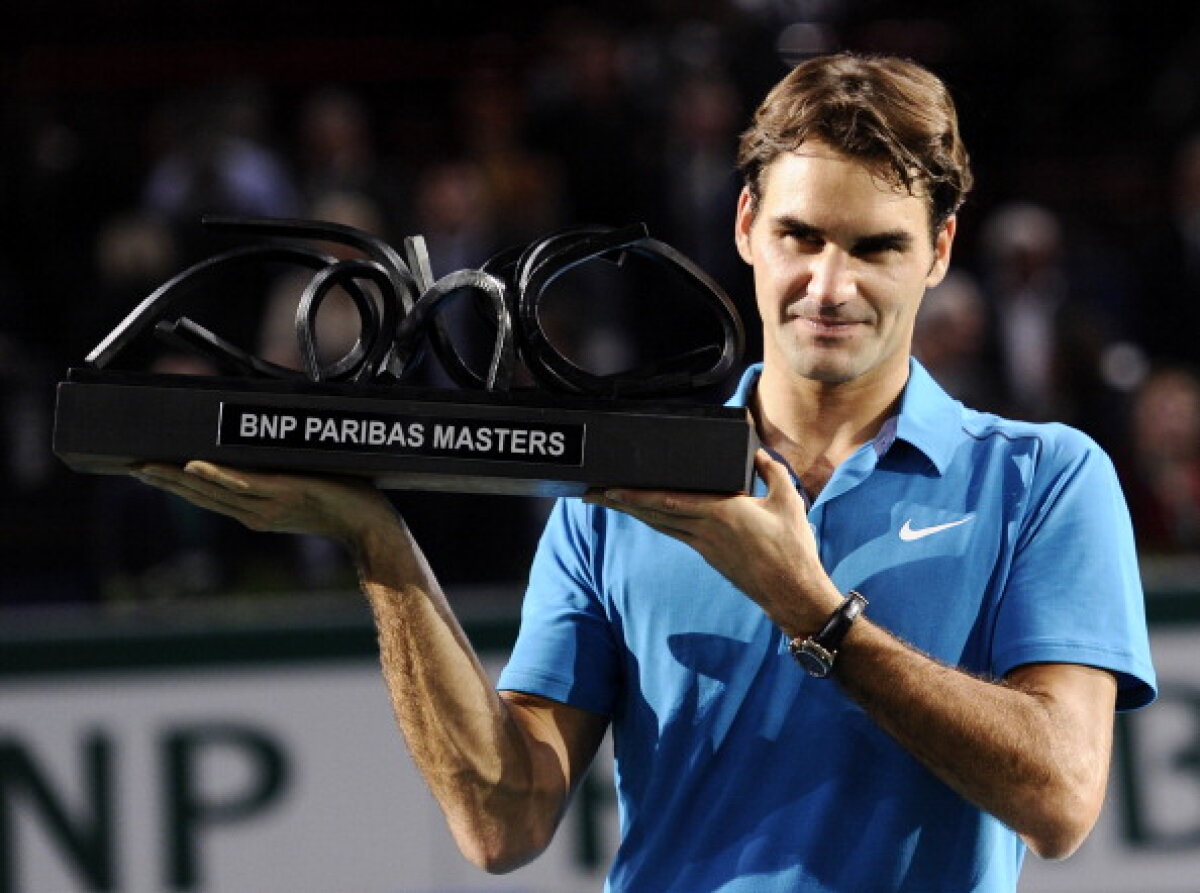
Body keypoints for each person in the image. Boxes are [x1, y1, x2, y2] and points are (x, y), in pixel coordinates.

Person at [132, 52, 1157, 892]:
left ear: (938, 251)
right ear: (746, 225)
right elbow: (502, 820)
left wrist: (809, 609)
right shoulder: (619, 492)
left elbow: (1062, 799)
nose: (828, 284)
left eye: (875, 247)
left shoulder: (1045, 479)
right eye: (800, 235)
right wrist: (379, 543)